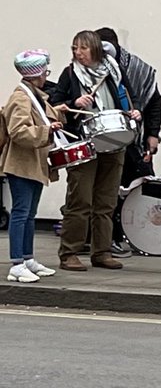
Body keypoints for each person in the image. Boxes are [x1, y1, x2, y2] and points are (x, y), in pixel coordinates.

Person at [49, 30, 142, 271]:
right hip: (85, 142)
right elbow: (54, 103)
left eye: (82, 48)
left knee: (106, 201)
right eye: (74, 48)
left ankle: (102, 251)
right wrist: (73, 104)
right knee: (80, 200)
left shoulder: (113, 71)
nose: (77, 53)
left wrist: (135, 112)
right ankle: (69, 252)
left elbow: (130, 97)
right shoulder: (70, 75)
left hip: (114, 142)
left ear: (96, 50)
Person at [95, 27, 161, 259]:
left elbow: (154, 101)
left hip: (134, 138)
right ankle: (109, 238)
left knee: (143, 182)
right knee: (108, 190)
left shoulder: (136, 69)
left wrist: (153, 133)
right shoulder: (90, 70)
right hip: (104, 138)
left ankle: (147, 232)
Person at [3, 50, 65, 283]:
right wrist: (47, 130)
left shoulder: (34, 95)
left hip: (34, 163)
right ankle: (16, 264)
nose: (46, 76)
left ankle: (27, 259)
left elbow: (38, 120)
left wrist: (58, 113)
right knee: (21, 213)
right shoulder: (21, 97)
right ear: (37, 74)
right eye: (45, 72)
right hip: (21, 164)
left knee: (29, 214)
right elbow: (18, 131)